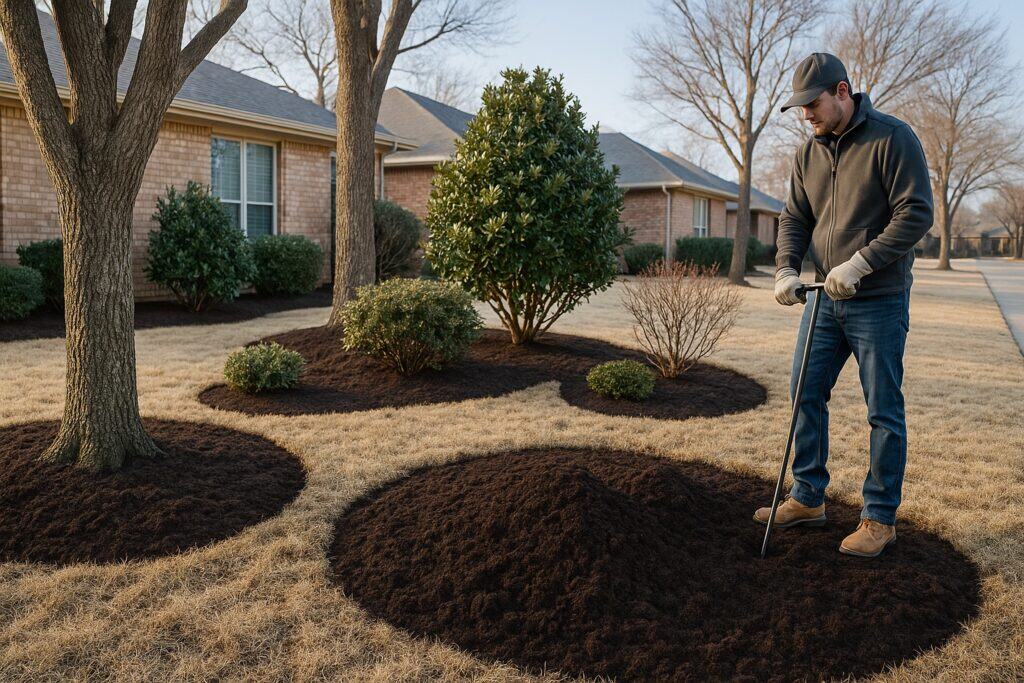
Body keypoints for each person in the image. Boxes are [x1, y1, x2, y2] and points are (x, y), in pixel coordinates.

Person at [752, 53, 933, 557]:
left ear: (842, 91)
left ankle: (879, 518)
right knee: (804, 392)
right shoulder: (808, 154)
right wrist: (786, 267)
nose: (806, 115)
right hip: (822, 300)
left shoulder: (893, 139)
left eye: (812, 104)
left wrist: (860, 264)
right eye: (800, 108)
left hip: (878, 298)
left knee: (883, 411)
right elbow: (793, 218)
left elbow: (916, 213)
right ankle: (808, 497)